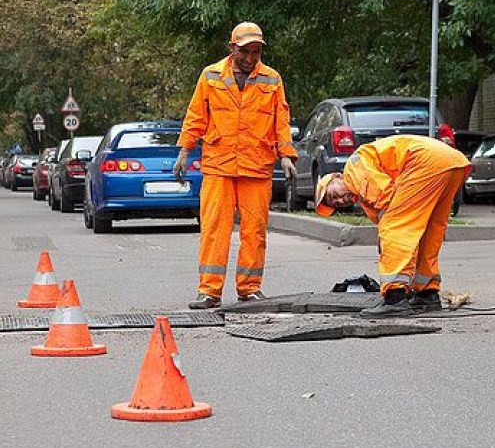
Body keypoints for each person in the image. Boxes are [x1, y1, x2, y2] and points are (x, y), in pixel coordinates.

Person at [175, 21, 298, 309]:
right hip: (219, 164)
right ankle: (209, 291)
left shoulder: (272, 79)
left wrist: (286, 155)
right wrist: (184, 150)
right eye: (246, 51)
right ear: (233, 48)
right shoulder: (211, 75)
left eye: (256, 52)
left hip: (256, 164)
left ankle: (249, 288)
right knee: (214, 229)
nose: (251, 57)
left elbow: (281, 122)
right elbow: (196, 116)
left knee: (254, 230)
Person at [314, 134, 470, 317]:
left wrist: (388, 234)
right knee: (428, 232)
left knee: (395, 226)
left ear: (337, 177)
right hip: (450, 162)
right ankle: (427, 293)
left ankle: (394, 298)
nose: (340, 201)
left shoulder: (353, 168)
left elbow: (387, 201)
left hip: (425, 163)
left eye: (334, 195)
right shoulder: (362, 190)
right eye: (336, 204)